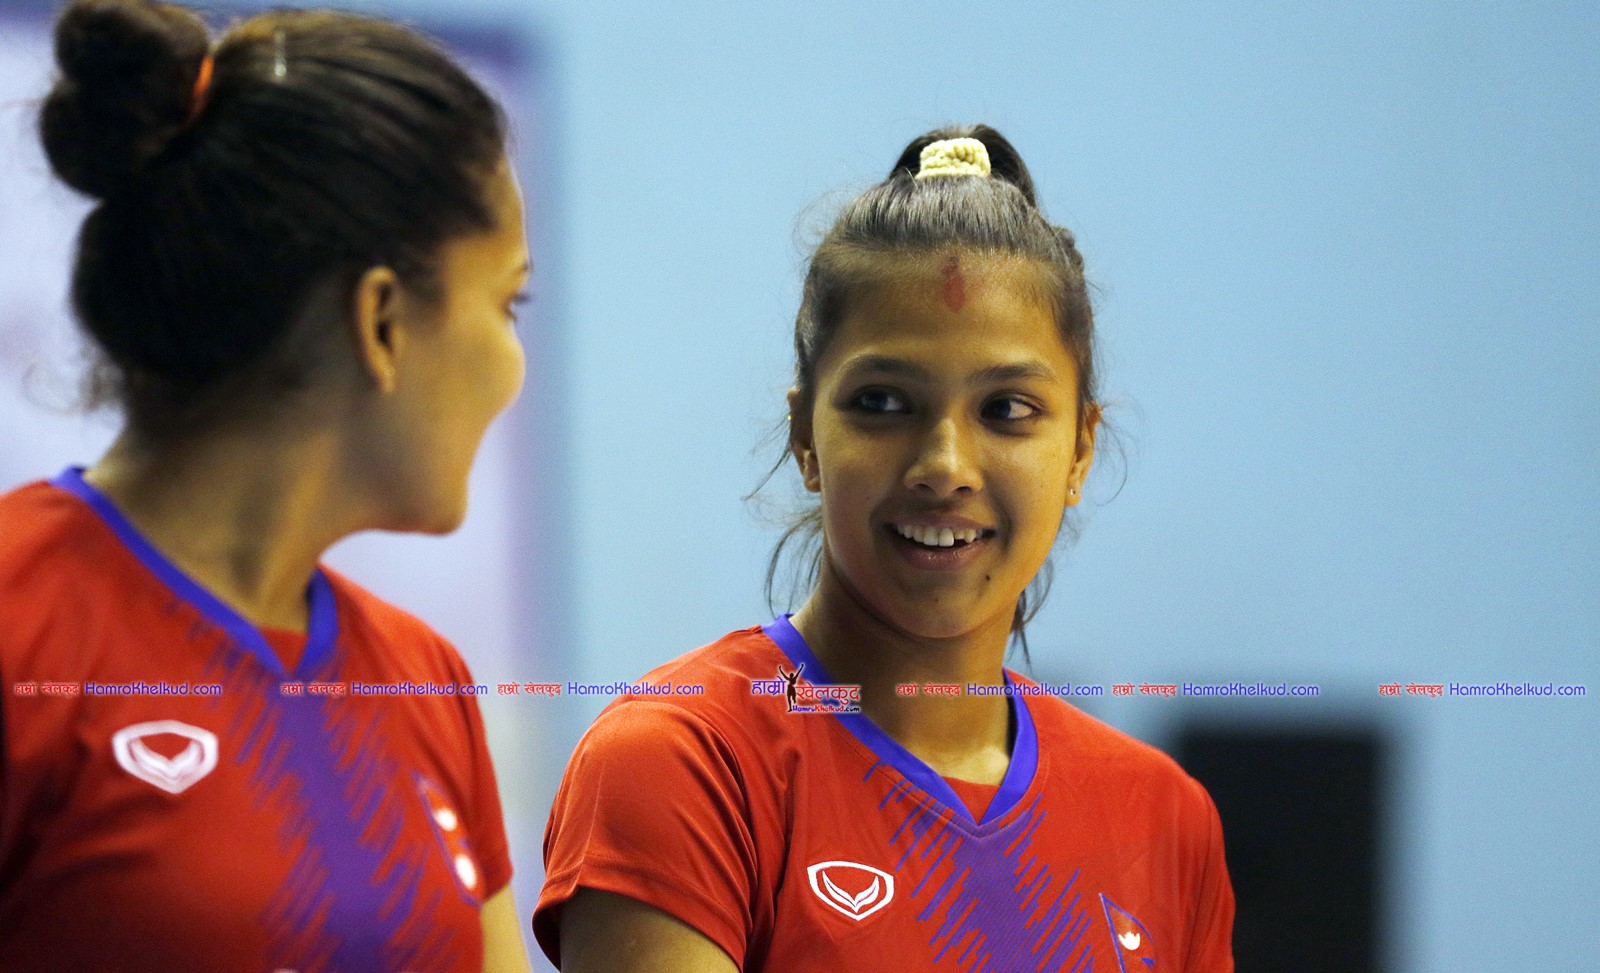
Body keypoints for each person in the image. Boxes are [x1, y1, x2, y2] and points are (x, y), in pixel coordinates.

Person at [534, 126, 1235, 971]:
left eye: (1007, 410)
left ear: (1081, 448)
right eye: (882, 402)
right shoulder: (687, 761)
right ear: (805, 435)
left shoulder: (1165, 819)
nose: (945, 465)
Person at [0, 1, 533, 970]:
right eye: (507, 302)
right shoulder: (19, 618)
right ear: (381, 320)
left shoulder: (427, 681)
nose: (513, 366)